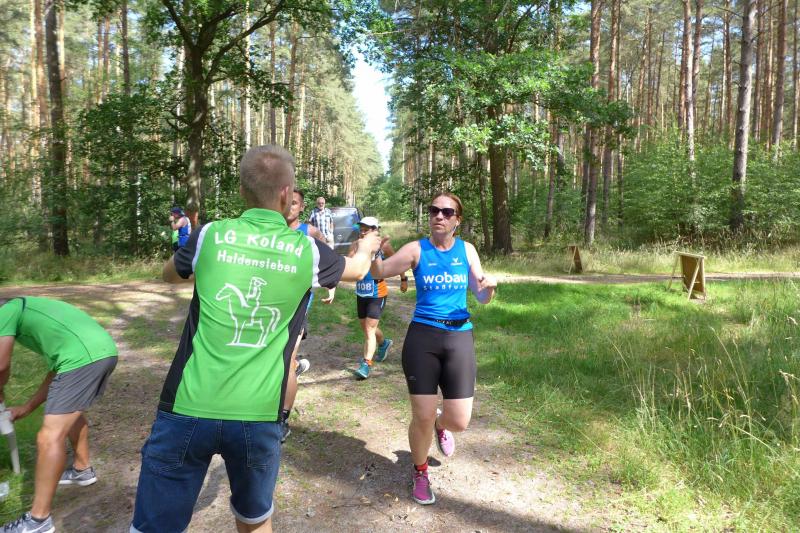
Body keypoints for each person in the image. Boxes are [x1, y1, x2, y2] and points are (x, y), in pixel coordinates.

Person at [130, 145, 381, 533]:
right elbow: (359, 270)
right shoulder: (305, 249)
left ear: (242, 191)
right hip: (258, 415)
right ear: (286, 194)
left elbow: (170, 274)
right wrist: (366, 245)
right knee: (254, 519)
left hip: (186, 406)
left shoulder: (210, 235)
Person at [368, 192, 497, 506]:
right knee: (422, 415)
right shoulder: (416, 249)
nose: (439, 216)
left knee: (459, 421)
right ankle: (420, 471)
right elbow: (379, 272)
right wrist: (373, 252)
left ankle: (442, 425)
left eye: (447, 212)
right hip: (423, 339)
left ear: (457, 220)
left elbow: (481, 297)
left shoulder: (467, 250)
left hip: (459, 337)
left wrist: (489, 289)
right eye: (434, 210)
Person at [0, 297, 118, 533]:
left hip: (84, 359)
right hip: (101, 352)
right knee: (68, 412)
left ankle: (38, 520)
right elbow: (56, 373)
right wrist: (28, 407)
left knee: (49, 437)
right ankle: (82, 470)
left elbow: (1, 365)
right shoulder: (38, 315)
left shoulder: (6, 310)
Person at [278, 188, 329, 443]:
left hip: (298, 306)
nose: (290, 206)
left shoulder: (309, 232)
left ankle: (282, 419)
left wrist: (329, 283)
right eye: (286, 202)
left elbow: (327, 255)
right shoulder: (272, 230)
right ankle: (297, 369)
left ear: (301, 207)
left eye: (295, 203)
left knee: (286, 360)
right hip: (272, 304)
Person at [330, 216, 408, 379]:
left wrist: (403, 279)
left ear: (375, 230)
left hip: (377, 292)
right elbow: (349, 265)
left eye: (366, 229)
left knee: (369, 329)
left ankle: (366, 364)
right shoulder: (355, 245)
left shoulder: (383, 245)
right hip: (361, 292)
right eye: (361, 229)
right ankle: (384, 343)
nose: (363, 232)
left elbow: (397, 262)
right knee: (366, 327)